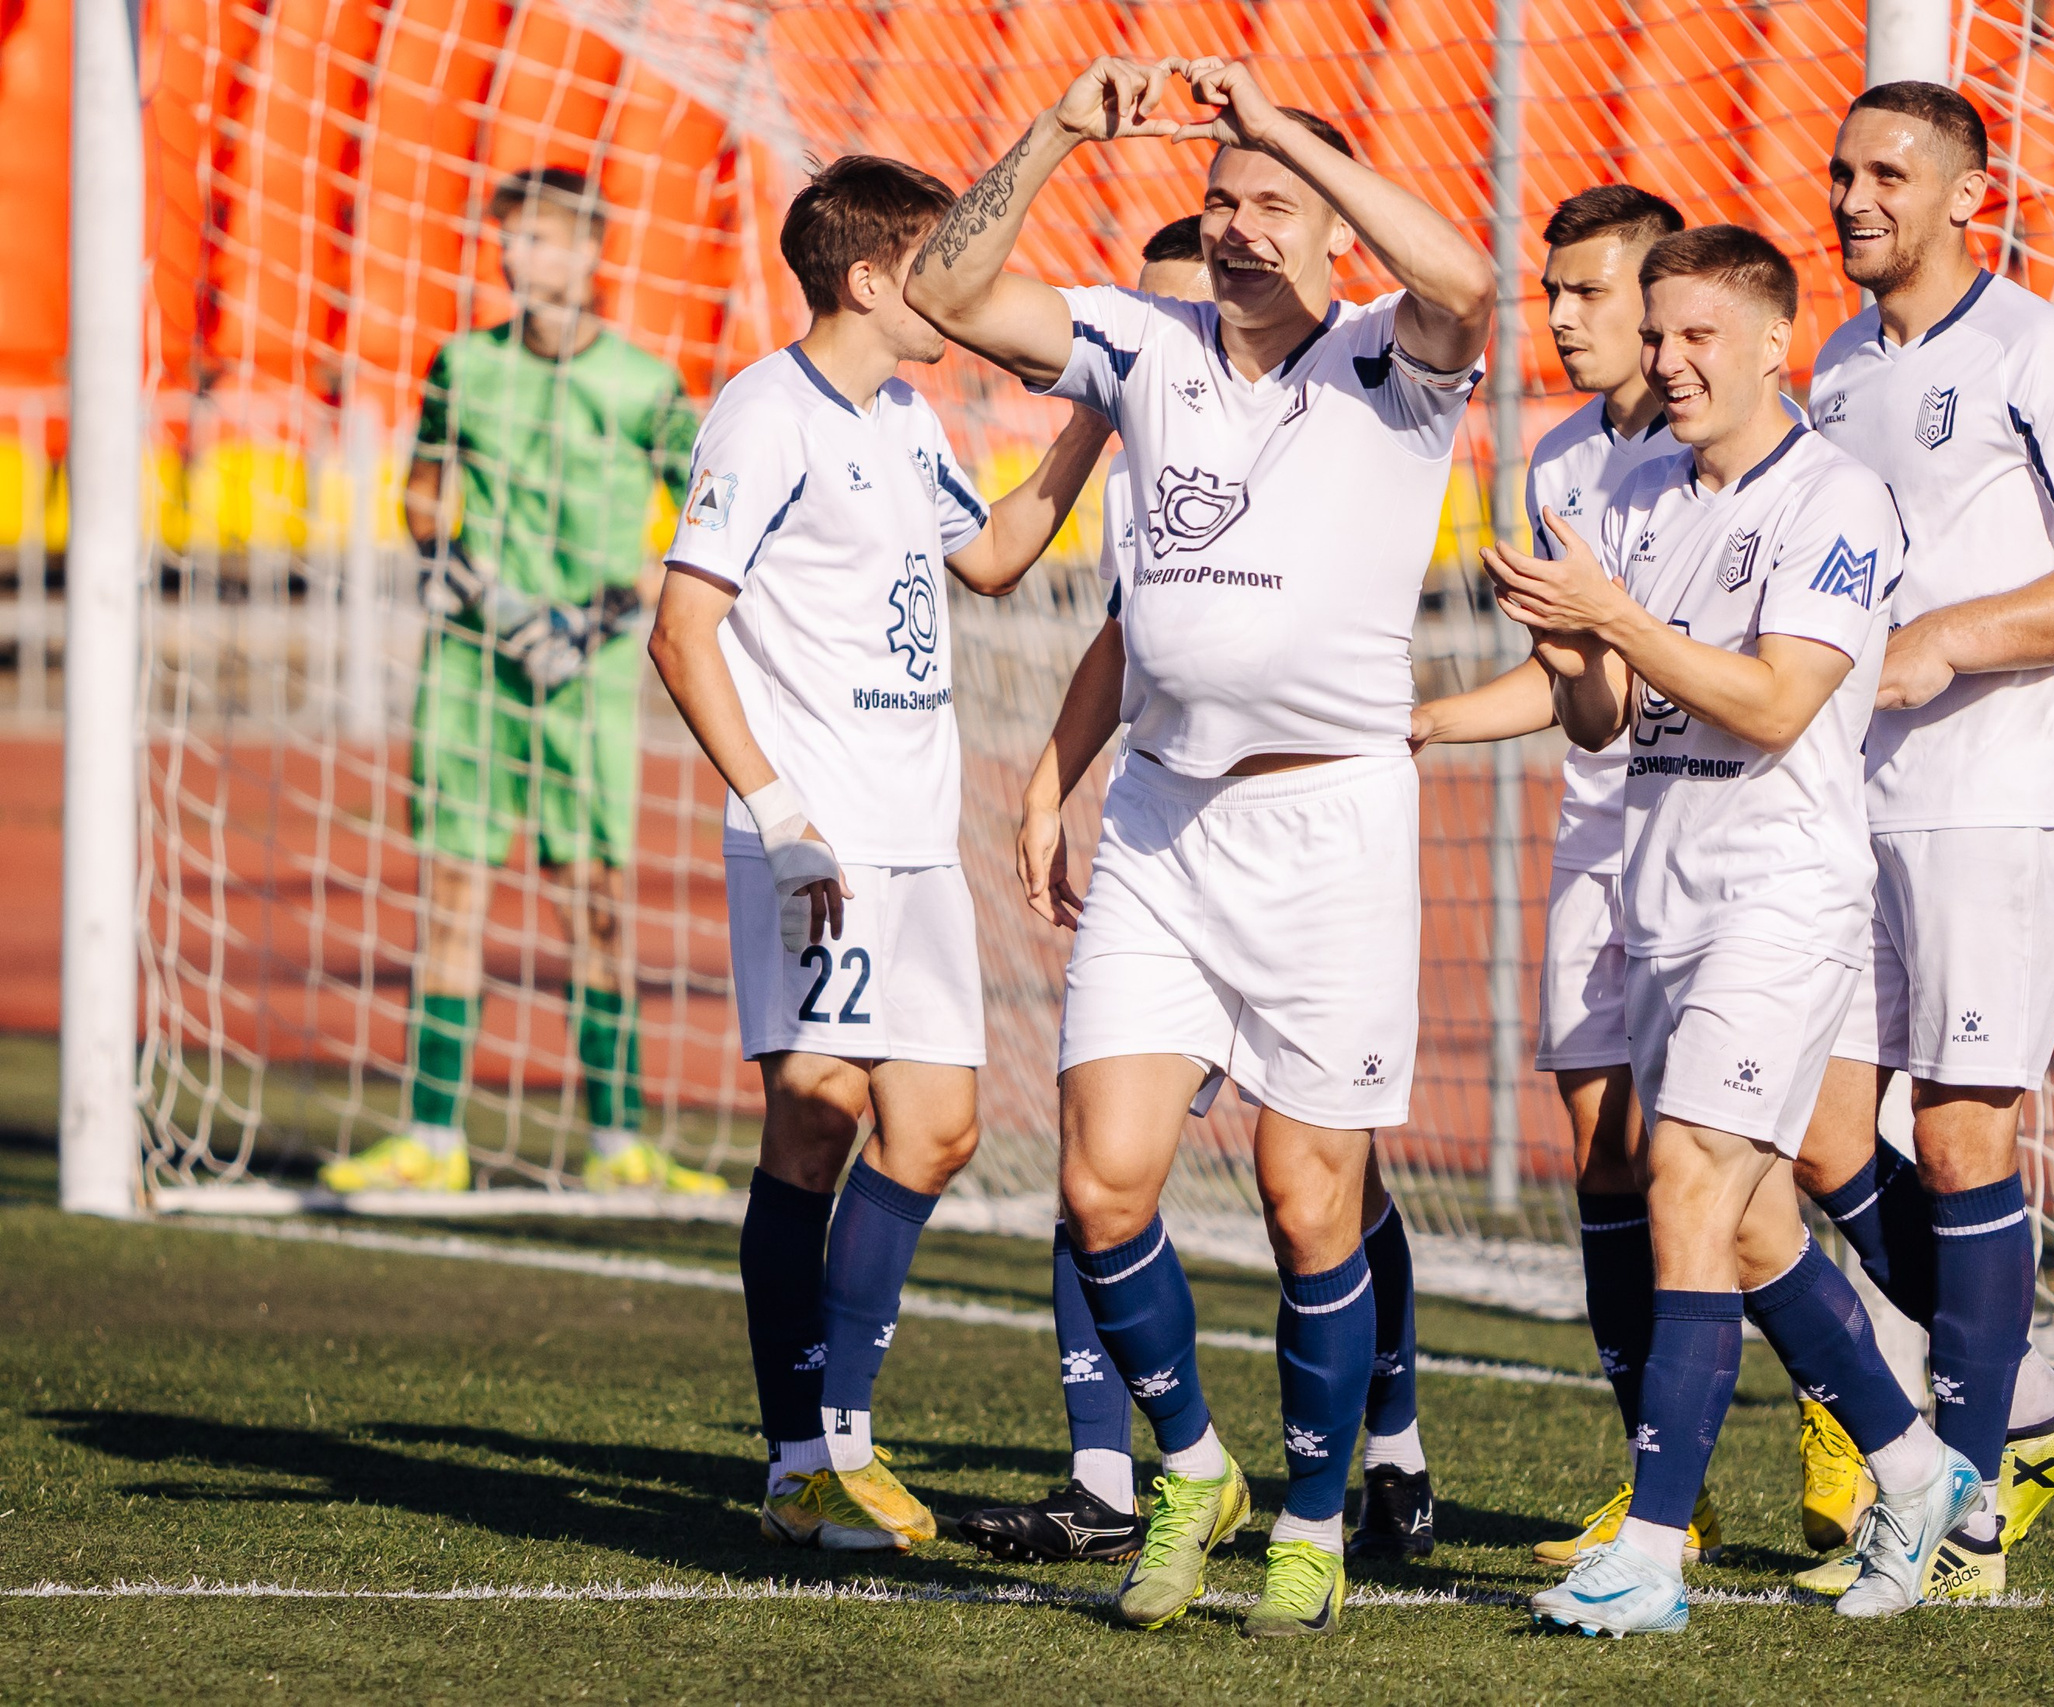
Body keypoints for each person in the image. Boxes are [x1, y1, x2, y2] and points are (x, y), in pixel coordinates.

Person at [907, 55, 1496, 1637]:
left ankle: (1314, 1513)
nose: (1239, 229)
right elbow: (949, 285)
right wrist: (1056, 131)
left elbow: (1468, 275)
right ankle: (1191, 1464)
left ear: (1326, 230)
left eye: (1273, 208)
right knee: (1104, 1185)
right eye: (1223, 203)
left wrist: (1286, 133)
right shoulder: (1139, 340)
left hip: (1334, 823)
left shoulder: (1395, 362)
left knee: (1315, 1201)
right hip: (1167, 818)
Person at [1487, 224, 1977, 1633]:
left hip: (1781, 887)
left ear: (1778, 342)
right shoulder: (1634, 490)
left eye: (1698, 335)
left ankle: (1652, 1546)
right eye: (1657, 335)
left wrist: (1615, 619)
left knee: (1688, 1182)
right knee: (1754, 1224)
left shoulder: (1837, 495)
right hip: (1661, 885)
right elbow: (1603, 716)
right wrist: (1572, 643)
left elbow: (1772, 704)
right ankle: (1917, 1462)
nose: (1668, 360)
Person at [647, 155, 1111, 1552]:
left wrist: (1101, 411)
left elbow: (995, 559)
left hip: (917, 845)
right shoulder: (765, 414)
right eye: (938, 263)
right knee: (818, 1108)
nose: (959, 289)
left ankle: (843, 1437)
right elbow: (684, 628)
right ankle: (804, 1459)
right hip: (821, 842)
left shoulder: (906, 416)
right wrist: (780, 817)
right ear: (869, 280)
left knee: (940, 1127)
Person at [1792, 81, 2054, 1601]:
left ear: (1969, 195)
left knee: (1959, 1133)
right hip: (1851, 793)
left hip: (1994, 790)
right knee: (1818, 1130)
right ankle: (2026, 1401)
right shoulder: (1827, 364)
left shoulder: (2039, 346)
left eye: (1891, 172)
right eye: (1842, 171)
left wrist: (1950, 636)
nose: (1857, 196)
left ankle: (1969, 1509)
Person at [1407, 182, 1726, 1570]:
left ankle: (1853, 1427)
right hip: (1599, 834)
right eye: (1556, 293)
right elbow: (1568, 687)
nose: (1569, 318)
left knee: (1742, 1166)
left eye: (1593, 293)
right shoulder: (1554, 461)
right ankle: (1663, 1478)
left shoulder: (1752, 453)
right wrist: (1414, 716)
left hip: (1729, 835)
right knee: (1605, 1148)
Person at [325, 166, 709, 1197]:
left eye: (539, 239)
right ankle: (433, 1136)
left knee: (595, 897)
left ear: (589, 254)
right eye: (509, 239)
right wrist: (484, 597)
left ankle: (616, 1137)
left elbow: (701, 514)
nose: (515, 256)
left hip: (582, 677)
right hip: (471, 666)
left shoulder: (643, 382)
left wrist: (600, 614)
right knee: (452, 892)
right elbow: (421, 495)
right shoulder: (463, 366)